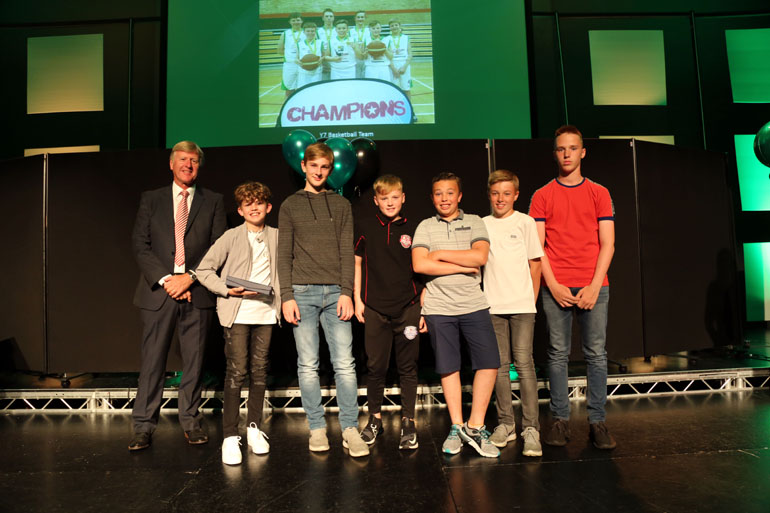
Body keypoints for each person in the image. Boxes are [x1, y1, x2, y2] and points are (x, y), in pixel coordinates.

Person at [129, 141, 227, 451]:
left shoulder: (213, 201)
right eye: (183, 159)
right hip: (159, 293)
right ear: (171, 164)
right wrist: (167, 280)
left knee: (194, 364)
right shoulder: (152, 199)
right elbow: (140, 244)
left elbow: (218, 247)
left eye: (194, 160)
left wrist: (190, 278)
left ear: (199, 166)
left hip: (197, 293)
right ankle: (143, 426)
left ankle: (191, 422)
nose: (188, 165)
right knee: (152, 363)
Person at [277, 142, 369, 458]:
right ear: (303, 166)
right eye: (313, 166)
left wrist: (346, 292)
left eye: (325, 167)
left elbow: (347, 251)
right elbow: (283, 254)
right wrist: (286, 296)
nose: (319, 172)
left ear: (331, 169)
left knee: (345, 363)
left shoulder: (340, 204)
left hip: (335, 293)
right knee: (308, 364)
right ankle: (316, 427)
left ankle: (349, 428)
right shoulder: (290, 205)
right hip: (302, 292)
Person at [529, 125, 617, 450]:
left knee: (596, 354)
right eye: (561, 149)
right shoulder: (541, 195)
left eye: (572, 148)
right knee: (557, 354)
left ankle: (597, 423)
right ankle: (560, 420)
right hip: (557, 285)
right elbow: (538, 247)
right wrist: (552, 285)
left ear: (583, 152)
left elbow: (608, 244)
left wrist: (594, 286)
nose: (567, 154)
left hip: (594, 284)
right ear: (555, 154)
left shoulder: (599, 192)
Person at [412, 172, 501, 458]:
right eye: (438, 193)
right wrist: (461, 266)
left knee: (489, 363)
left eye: (450, 193)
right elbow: (420, 265)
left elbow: (480, 257)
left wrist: (438, 254)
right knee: (449, 366)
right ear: (432, 198)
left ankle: (475, 426)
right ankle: (456, 426)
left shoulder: (474, 221)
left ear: (459, 195)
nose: (444, 198)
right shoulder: (425, 226)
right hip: (439, 307)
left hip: (474, 304)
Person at [196, 181, 281, 465]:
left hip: (266, 313)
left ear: (268, 207)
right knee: (236, 372)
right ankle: (230, 436)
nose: (254, 208)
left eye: (259, 203)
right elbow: (204, 270)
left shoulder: (278, 236)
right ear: (241, 210)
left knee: (259, 371)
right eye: (248, 204)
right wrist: (225, 289)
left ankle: (254, 429)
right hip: (238, 313)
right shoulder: (231, 236)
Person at [353, 175, 424, 450]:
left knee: (408, 366)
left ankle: (408, 421)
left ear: (403, 198)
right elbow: (357, 263)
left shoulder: (415, 228)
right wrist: (357, 299)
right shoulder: (366, 226)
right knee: (376, 367)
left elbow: (424, 269)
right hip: (374, 309)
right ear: (376, 200)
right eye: (384, 198)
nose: (390, 203)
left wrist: (423, 307)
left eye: (395, 197)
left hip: (408, 310)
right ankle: (375, 420)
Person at [482, 170, 544, 457]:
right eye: (496, 193)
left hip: (522, 306)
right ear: (489, 195)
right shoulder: (482, 224)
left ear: (516, 195)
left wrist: (530, 301)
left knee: (524, 363)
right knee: (499, 366)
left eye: (506, 194)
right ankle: (506, 424)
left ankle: (531, 428)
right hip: (493, 305)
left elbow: (535, 264)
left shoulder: (525, 222)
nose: (501, 199)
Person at [384, 20, 413, 102]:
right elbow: (386, 56)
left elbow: (410, 54)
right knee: (392, 88)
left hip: (404, 64)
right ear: (390, 28)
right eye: (392, 25)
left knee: (406, 88)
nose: (394, 27)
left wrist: (405, 67)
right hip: (392, 65)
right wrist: (393, 69)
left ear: (400, 26)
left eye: (396, 25)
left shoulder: (406, 38)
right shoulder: (386, 39)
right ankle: (392, 106)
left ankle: (409, 106)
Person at [277, 12, 304, 100]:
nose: (296, 22)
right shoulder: (285, 34)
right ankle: (287, 106)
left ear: (302, 21)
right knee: (289, 89)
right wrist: (291, 57)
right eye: (293, 20)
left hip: (303, 64)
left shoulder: (306, 32)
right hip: (290, 65)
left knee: (303, 88)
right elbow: (279, 50)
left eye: (298, 20)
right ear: (290, 22)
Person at [296, 22, 324, 88]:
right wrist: (297, 61)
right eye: (308, 31)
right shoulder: (299, 44)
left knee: (316, 90)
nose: (310, 33)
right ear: (304, 32)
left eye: (312, 31)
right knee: (303, 90)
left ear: (315, 31)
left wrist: (322, 59)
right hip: (303, 72)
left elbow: (324, 55)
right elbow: (297, 57)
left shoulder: (320, 42)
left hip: (317, 72)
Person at [350, 10, 370, 78]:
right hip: (355, 59)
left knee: (366, 79)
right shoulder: (350, 31)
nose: (360, 19)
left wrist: (366, 51)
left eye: (362, 17)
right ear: (355, 18)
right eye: (358, 17)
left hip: (366, 58)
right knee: (356, 79)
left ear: (365, 18)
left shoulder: (369, 30)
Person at [316, 8, 335, 81]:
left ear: (333, 18)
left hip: (335, 59)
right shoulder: (318, 32)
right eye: (326, 16)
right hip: (323, 61)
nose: (329, 18)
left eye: (331, 16)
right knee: (324, 83)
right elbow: (316, 48)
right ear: (323, 18)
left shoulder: (338, 30)